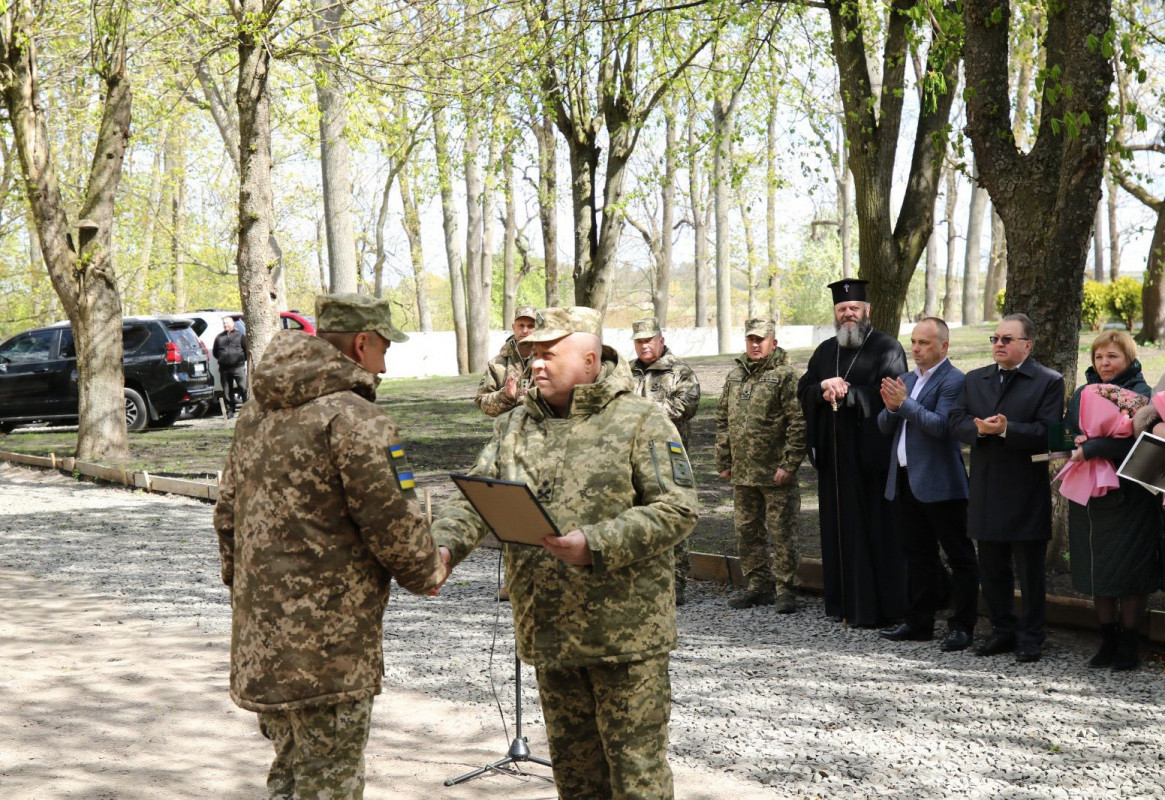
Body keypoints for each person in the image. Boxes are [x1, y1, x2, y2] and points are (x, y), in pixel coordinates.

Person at [432, 307, 697, 799]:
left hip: (625, 638)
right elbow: (479, 496)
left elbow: (678, 509)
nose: (535, 364)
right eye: (532, 355)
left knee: (636, 778)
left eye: (549, 354)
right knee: (576, 780)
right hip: (550, 632)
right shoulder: (515, 425)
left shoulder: (640, 420)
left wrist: (596, 544)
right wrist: (443, 548)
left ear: (591, 359)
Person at [213, 293, 449, 798]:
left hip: (266, 639)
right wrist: (429, 570)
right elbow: (393, 521)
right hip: (330, 646)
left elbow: (226, 516)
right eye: (385, 346)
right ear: (363, 344)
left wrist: (247, 595)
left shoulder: (256, 413)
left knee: (289, 770)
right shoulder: (355, 419)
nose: (386, 362)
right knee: (330, 780)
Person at [949, 313, 1063, 664]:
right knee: (992, 565)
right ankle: (1002, 629)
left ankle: (1031, 636)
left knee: (1029, 571)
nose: (999, 344)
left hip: (1026, 487)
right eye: (995, 338)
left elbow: (1051, 434)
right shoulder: (975, 379)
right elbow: (955, 420)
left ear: (1027, 345)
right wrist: (980, 430)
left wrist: (1006, 429)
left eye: (1007, 339)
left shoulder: (1048, 381)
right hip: (985, 484)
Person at [796, 278, 908, 626]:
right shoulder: (825, 350)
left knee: (874, 532)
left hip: (871, 461)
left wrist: (851, 394)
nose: (848, 314)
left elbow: (894, 396)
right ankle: (842, 603)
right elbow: (803, 390)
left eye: (854, 309)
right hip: (835, 462)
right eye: (842, 309)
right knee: (837, 530)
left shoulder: (887, 348)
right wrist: (821, 388)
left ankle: (878, 608)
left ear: (867, 311)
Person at [876, 317, 979, 651]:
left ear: (943, 347)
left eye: (924, 343)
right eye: (914, 342)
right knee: (918, 555)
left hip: (941, 483)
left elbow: (940, 427)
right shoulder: (905, 378)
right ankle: (919, 622)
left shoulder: (954, 380)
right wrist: (892, 407)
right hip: (906, 479)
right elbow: (883, 426)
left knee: (959, 556)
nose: (916, 349)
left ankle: (962, 626)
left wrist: (904, 404)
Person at [1063, 330, 1159, 671]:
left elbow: (1143, 446)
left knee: (1130, 572)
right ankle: (1107, 641)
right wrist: (1071, 439)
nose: (1104, 363)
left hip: (1130, 496)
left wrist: (1094, 447)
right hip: (1090, 493)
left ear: (1129, 359)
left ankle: (1129, 644)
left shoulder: (1144, 396)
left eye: (1112, 356)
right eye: (1099, 356)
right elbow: (1066, 429)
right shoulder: (1082, 393)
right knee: (1097, 568)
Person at [716, 317, 805, 612]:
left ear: (773, 342)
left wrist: (789, 464)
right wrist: (724, 460)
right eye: (750, 339)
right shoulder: (734, 376)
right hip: (743, 473)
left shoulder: (786, 376)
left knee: (782, 533)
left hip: (775, 473)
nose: (755, 344)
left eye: (761, 339)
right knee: (747, 531)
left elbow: (798, 422)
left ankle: (785, 589)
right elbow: (723, 421)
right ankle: (758, 586)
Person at [630, 317, 701, 606]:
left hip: (668, 460)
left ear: (661, 339)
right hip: (633, 459)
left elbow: (684, 406)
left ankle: (675, 582)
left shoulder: (680, 371)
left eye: (649, 340)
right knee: (634, 518)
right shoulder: (625, 372)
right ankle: (640, 580)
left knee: (672, 517)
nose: (644, 345)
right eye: (639, 341)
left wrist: (638, 411)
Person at [475, 305, 537, 417]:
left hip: (543, 430)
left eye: (530, 326)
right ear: (514, 327)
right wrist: (506, 396)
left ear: (537, 329)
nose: (525, 330)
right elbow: (482, 402)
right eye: (521, 326)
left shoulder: (547, 360)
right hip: (508, 430)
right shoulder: (497, 364)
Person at [213, 316, 248, 416]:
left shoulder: (240, 335)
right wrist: (222, 359)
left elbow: (246, 350)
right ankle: (230, 411)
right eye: (224, 323)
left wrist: (240, 360)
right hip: (224, 369)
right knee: (227, 391)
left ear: (233, 324)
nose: (225, 325)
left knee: (243, 388)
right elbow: (216, 353)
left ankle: (246, 408)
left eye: (227, 323)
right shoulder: (219, 337)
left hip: (238, 367)